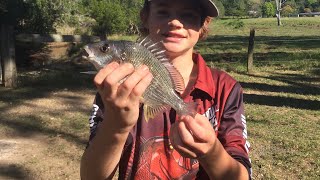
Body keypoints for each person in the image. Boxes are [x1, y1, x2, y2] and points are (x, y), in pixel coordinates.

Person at [80, 0, 252, 179]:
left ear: (204, 24)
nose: (175, 22)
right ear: (145, 17)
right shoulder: (115, 91)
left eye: (188, 15)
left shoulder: (226, 89)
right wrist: (116, 126)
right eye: (163, 12)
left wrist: (212, 153)